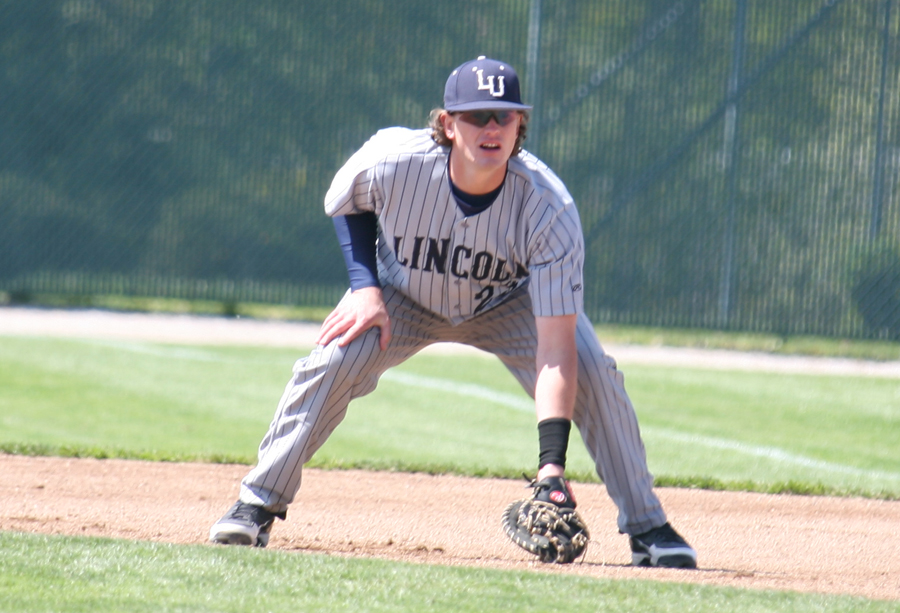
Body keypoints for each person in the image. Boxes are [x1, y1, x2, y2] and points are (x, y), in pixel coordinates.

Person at [209, 56, 697, 568]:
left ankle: (648, 526)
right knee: (335, 359)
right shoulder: (397, 161)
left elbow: (555, 352)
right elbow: (345, 199)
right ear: (447, 123)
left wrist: (551, 467)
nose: (492, 128)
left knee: (593, 370)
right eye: (477, 115)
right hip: (403, 295)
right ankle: (257, 504)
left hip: (506, 303)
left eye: (504, 115)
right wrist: (364, 287)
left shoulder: (549, 208)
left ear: (520, 124)